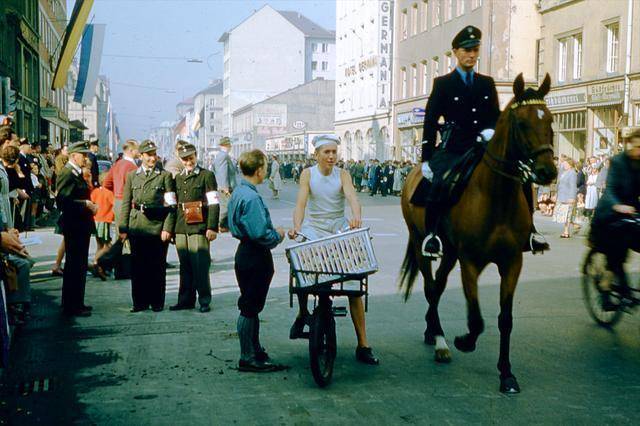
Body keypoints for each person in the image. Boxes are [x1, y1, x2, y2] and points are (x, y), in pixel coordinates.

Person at [416, 25, 548, 257]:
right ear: (455, 52)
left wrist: (492, 131)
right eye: (466, 50)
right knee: (439, 181)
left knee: (521, 176)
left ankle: (529, 230)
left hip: (484, 145)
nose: (471, 55)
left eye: (475, 50)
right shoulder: (443, 83)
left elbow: (494, 115)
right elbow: (430, 121)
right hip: (454, 147)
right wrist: (426, 158)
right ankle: (433, 235)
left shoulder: (486, 83)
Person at [288, 135, 379, 365]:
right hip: (315, 227)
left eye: (334, 152)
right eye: (326, 152)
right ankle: (302, 313)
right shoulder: (308, 174)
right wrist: (297, 227)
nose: (331, 156)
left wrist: (356, 217)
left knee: (354, 279)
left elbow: (352, 197)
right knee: (301, 267)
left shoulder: (343, 174)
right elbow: (300, 204)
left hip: (338, 226)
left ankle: (363, 343)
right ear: (316, 154)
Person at [228, 149, 285, 372]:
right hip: (255, 255)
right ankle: (247, 356)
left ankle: (255, 349)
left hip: (245, 253)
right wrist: (278, 234)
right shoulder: (251, 197)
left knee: (251, 303)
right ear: (259, 170)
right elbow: (261, 234)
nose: (267, 171)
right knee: (250, 306)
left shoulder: (240, 191)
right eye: (265, 167)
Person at [119, 140, 176, 313]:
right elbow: (126, 203)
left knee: (157, 267)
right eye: (149, 155)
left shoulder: (164, 176)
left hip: (157, 228)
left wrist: (167, 228)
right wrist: (123, 228)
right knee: (138, 268)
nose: (152, 158)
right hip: (137, 227)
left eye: (154, 154)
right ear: (141, 156)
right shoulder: (132, 176)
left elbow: (172, 206)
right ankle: (139, 302)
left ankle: (157, 302)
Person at [590, 129, 640, 310]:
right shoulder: (618, 162)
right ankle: (606, 294)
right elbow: (610, 189)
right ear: (630, 144)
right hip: (611, 214)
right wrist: (618, 206)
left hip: (633, 212)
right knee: (616, 253)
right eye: (637, 147)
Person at [170, 143, 219, 313]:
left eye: (191, 158)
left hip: (199, 226)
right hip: (181, 227)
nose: (188, 162)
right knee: (185, 265)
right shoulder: (177, 179)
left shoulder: (206, 175)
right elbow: (173, 206)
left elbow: (213, 203)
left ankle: (204, 299)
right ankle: (185, 300)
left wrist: (212, 227)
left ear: (196, 156)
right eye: (184, 159)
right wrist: (171, 229)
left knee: (200, 264)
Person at [56, 142, 98, 317]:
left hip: (80, 225)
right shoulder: (68, 173)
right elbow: (63, 201)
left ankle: (76, 302)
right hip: (75, 225)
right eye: (83, 155)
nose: (86, 158)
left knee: (79, 265)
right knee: (74, 266)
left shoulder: (75, 172)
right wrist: (85, 204)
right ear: (74, 155)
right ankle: (71, 305)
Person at [104, 139, 139, 228]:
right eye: (137, 149)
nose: (139, 152)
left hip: (117, 201)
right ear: (131, 150)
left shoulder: (117, 164)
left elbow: (106, 183)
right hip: (129, 202)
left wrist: (116, 192)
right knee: (130, 231)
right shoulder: (132, 166)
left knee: (119, 231)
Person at [90, 173, 115, 280]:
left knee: (99, 245)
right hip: (105, 220)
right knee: (108, 246)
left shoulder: (95, 191)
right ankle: (96, 263)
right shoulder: (109, 193)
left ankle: (97, 264)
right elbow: (114, 205)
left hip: (96, 220)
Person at [212, 137, 236, 231]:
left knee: (226, 205)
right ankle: (219, 225)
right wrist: (224, 187)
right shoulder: (223, 156)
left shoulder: (219, 155)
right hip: (225, 186)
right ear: (227, 145)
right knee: (225, 206)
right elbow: (223, 172)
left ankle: (224, 225)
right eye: (230, 145)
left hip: (222, 186)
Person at [555, 159, 578, 238]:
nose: (564, 165)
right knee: (563, 215)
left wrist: (572, 197)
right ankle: (576, 225)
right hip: (561, 196)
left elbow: (573, 186)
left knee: (567, 215)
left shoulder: (572, 173)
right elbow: (559, 184)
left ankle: (566, 232)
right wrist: (555, 194)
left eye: (565, 164)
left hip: (568, 197)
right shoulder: (563, 173)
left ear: (570, 165)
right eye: (564, 164)